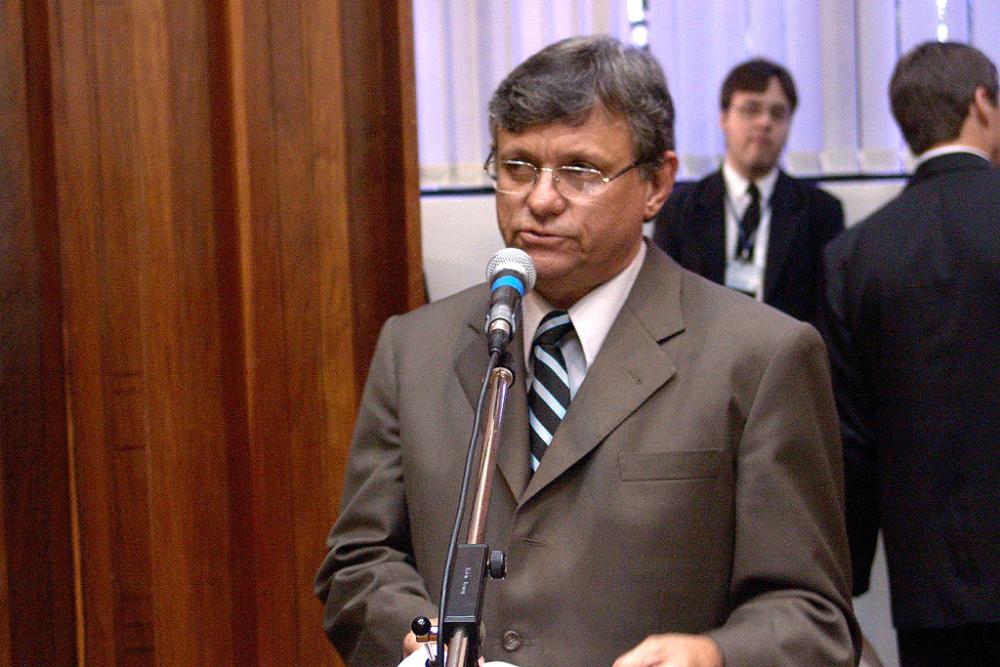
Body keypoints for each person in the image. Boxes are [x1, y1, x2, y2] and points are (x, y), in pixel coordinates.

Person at [316, 35, 858, 667]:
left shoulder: (761, 357)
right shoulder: (415, 348)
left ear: (657, 184)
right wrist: (418, 636)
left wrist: (712, 656)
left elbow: (811, 615)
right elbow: (359, 562)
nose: (541, 199)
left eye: (581, 171)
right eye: (517, 166)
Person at [819, 41, 1000, 666]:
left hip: (929, 582)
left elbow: (851, 437)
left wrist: (844, 578)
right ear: (982, 103)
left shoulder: (853, 256)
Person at [653, 58, 843, 322]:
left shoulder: (821, 212)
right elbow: (664, 306)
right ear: (724, 118)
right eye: (751, 109)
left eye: (777, 113)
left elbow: (825, 315)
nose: (764, 122)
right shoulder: (679, 209)